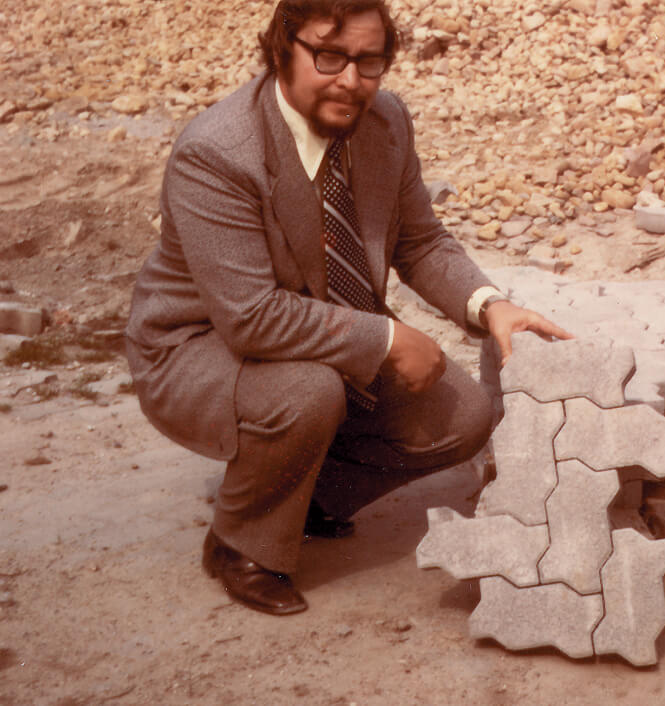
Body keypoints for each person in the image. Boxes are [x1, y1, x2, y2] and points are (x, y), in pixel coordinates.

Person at [125, 0, 569, 616]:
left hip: (316, 335)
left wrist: (490, 304)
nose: (351, 81)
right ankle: (240, 544)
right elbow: (250, 317)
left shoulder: (385, 122)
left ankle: (303, 495)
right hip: (199, 348)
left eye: (370, 61)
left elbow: (420, 241)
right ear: (282, 48)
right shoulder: (218, 152)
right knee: (309, 394)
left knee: (465, 416)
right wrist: (388, 340)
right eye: (329, 57)